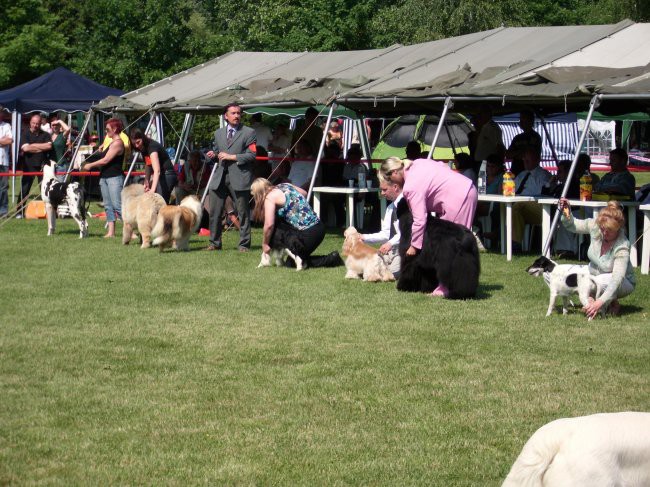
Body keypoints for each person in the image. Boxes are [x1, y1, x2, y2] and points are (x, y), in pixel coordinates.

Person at [379, 156, 477, 296]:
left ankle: (445, 287)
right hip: (467, 188)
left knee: (449, 246)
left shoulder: (411, 186)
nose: (391, 183)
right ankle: (458, 285)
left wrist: (415, 245)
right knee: (460, 245)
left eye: (389, 180)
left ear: (394, 172)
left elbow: (419, 219)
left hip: (457, 198)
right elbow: (442, 166)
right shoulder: (417, 162)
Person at [558, 198, 635, 318]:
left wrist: (599, 303)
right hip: (594, 272)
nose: (604, 233)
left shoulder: (622, 246)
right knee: (563, 275)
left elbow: (616, 279)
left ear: (618, 228)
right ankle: (600, 301)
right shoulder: (596, 226)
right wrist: (566, 211)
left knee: (598, 282)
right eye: (603, 228)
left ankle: (600, 302)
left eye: (609, 230)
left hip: (622, 282)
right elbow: (572, 226)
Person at [251, 177, 343, 269]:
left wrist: (265, 244)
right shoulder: (285, 185)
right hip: (319, 227)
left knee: (291, 264)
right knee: (294, 257)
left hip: (309, 232)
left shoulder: (270, 197)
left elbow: (269, 225)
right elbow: (304, 193)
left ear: (258, 193)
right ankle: (327, 258)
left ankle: (331, 259)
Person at [205, 103, 256, 251]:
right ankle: (214, 243)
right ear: (225, 116)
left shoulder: (249, 132)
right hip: (220, 177)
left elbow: (252, 155)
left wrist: (232, 156)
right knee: (214, 212)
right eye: (233, 113)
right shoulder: (218, 133)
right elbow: (217, 154)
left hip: (239, 177)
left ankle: (244, 244)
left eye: (239, 113)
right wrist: (212, 156)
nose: (237, 116)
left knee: (243, 212)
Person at [83, 118, 125, 238]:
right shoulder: (111, 142)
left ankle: (130, 231)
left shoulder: (118, 143)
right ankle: (111, 232)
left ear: (115, 129)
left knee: (117, 205)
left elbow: (106, 160)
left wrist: (90, 165)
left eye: (107, 129)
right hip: (105, 177)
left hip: (115, 178)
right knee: (108, 206)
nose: (106, 132)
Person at [360, 174, 403, 278]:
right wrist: (364, 237)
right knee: (364, 270)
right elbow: (385, 234)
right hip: (390, 251)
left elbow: (407, 233)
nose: (382, 193)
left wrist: (390, 243)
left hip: (403, 250)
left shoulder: (407, 205)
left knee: (390, 274)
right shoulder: (390, 208)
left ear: (395, 187)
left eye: (384, 190)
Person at [511, 147, 553, 251]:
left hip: (539, 207)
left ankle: (515, 244)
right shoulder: (521, 175)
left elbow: (545, 194)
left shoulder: (543, 175)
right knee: (504, 207)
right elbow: (510, 190)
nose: (525, 161)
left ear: (537, 159)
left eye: (528, 159)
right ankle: (501, 239)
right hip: (519, 206)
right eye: (524, 159)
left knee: (518, 206)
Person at [130, 128, 178, 203]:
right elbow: (148, 165)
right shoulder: (143, 148)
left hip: (167, 174)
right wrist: (146, 181)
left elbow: (157, 171)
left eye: (138, 142)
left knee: (159, 201)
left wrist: (152, 190)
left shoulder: (152, 147)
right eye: (134, 144)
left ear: (142, 138)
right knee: (159, 202)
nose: (136, 146)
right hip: (162, 174)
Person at [18, 113, 52, 217]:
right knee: (24, 190)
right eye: (33, 123)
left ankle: (48, 213)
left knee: (45, 190)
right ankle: (19, 212)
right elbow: (25, 148)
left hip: (43, 166)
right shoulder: (25, 134)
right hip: (29, 166)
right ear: (30, 123)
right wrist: (40, 147)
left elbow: (49, 146)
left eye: (37, 123)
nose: (35, 125)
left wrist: (33, 146)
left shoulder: (45, 134)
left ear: (40, 123)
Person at [505, 109, 542, 174]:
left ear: (531, 120)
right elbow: (508, 155)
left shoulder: (535, 137)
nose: (521, 121)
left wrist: (517, 153)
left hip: (529, 173)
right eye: (520, 118)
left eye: (523, 118)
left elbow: (532, 156)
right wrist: (521, 151)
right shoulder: (517, 138)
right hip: (516, 172)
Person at [48, 114, 70, 180]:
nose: (55, 126)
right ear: (50, 126)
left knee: (60, 186)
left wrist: (59, 121)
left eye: (57, 124)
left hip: (61, 165)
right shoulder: (48, 136)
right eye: (53, 125)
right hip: (50, 165)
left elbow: (68, 129)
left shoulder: (62, 135)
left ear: (60, 125)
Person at [0, 106, 12, 217]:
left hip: (3, 162)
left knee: (3, 188)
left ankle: (3, 211)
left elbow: (9, 140)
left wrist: (5, 141)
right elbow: (5, 140)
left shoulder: (6, 126)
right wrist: (1, 141)